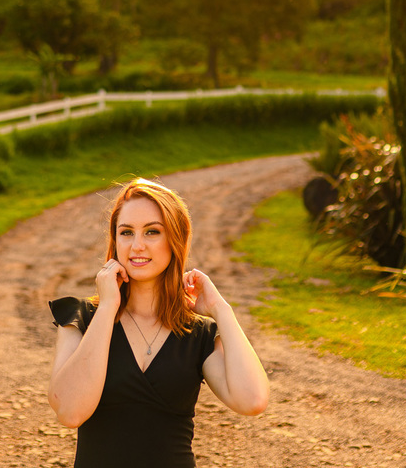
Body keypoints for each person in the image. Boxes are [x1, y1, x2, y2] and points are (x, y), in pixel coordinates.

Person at [47, 177, 270, 468]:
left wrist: (220, 309)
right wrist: (108, 307)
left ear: (175, 239)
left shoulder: (198, 334)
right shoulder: (82, 318)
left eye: (152, 232)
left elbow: (252, 400)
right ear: (115, 241)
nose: (137, 245)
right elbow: (69, 412)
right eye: (126, 232)